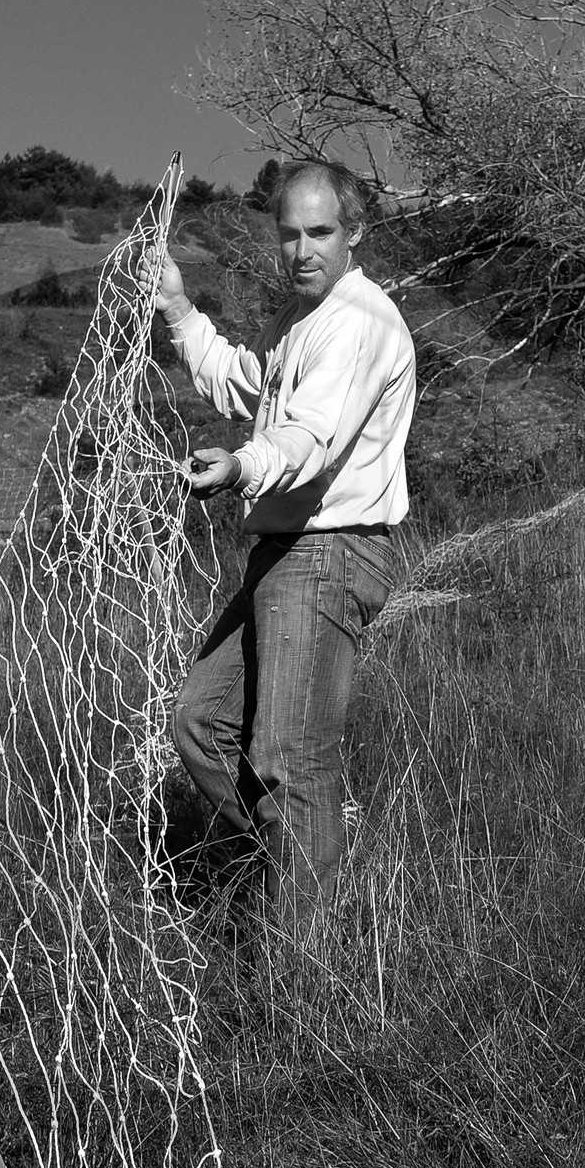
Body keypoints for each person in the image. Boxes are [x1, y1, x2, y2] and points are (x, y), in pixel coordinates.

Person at [156, 158, 417, 925]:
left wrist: (242, 465)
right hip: (285, 550)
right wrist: (178, 309)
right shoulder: (298, 320)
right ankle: (308, 860)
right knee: (201, 726)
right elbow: (247, 385)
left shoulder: (357, 322)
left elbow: (307, 439)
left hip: (331, 551)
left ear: (354, 233)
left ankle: (306, 991)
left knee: (288, 769)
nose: (302, 251)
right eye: (289, 235)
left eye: (321, 233)